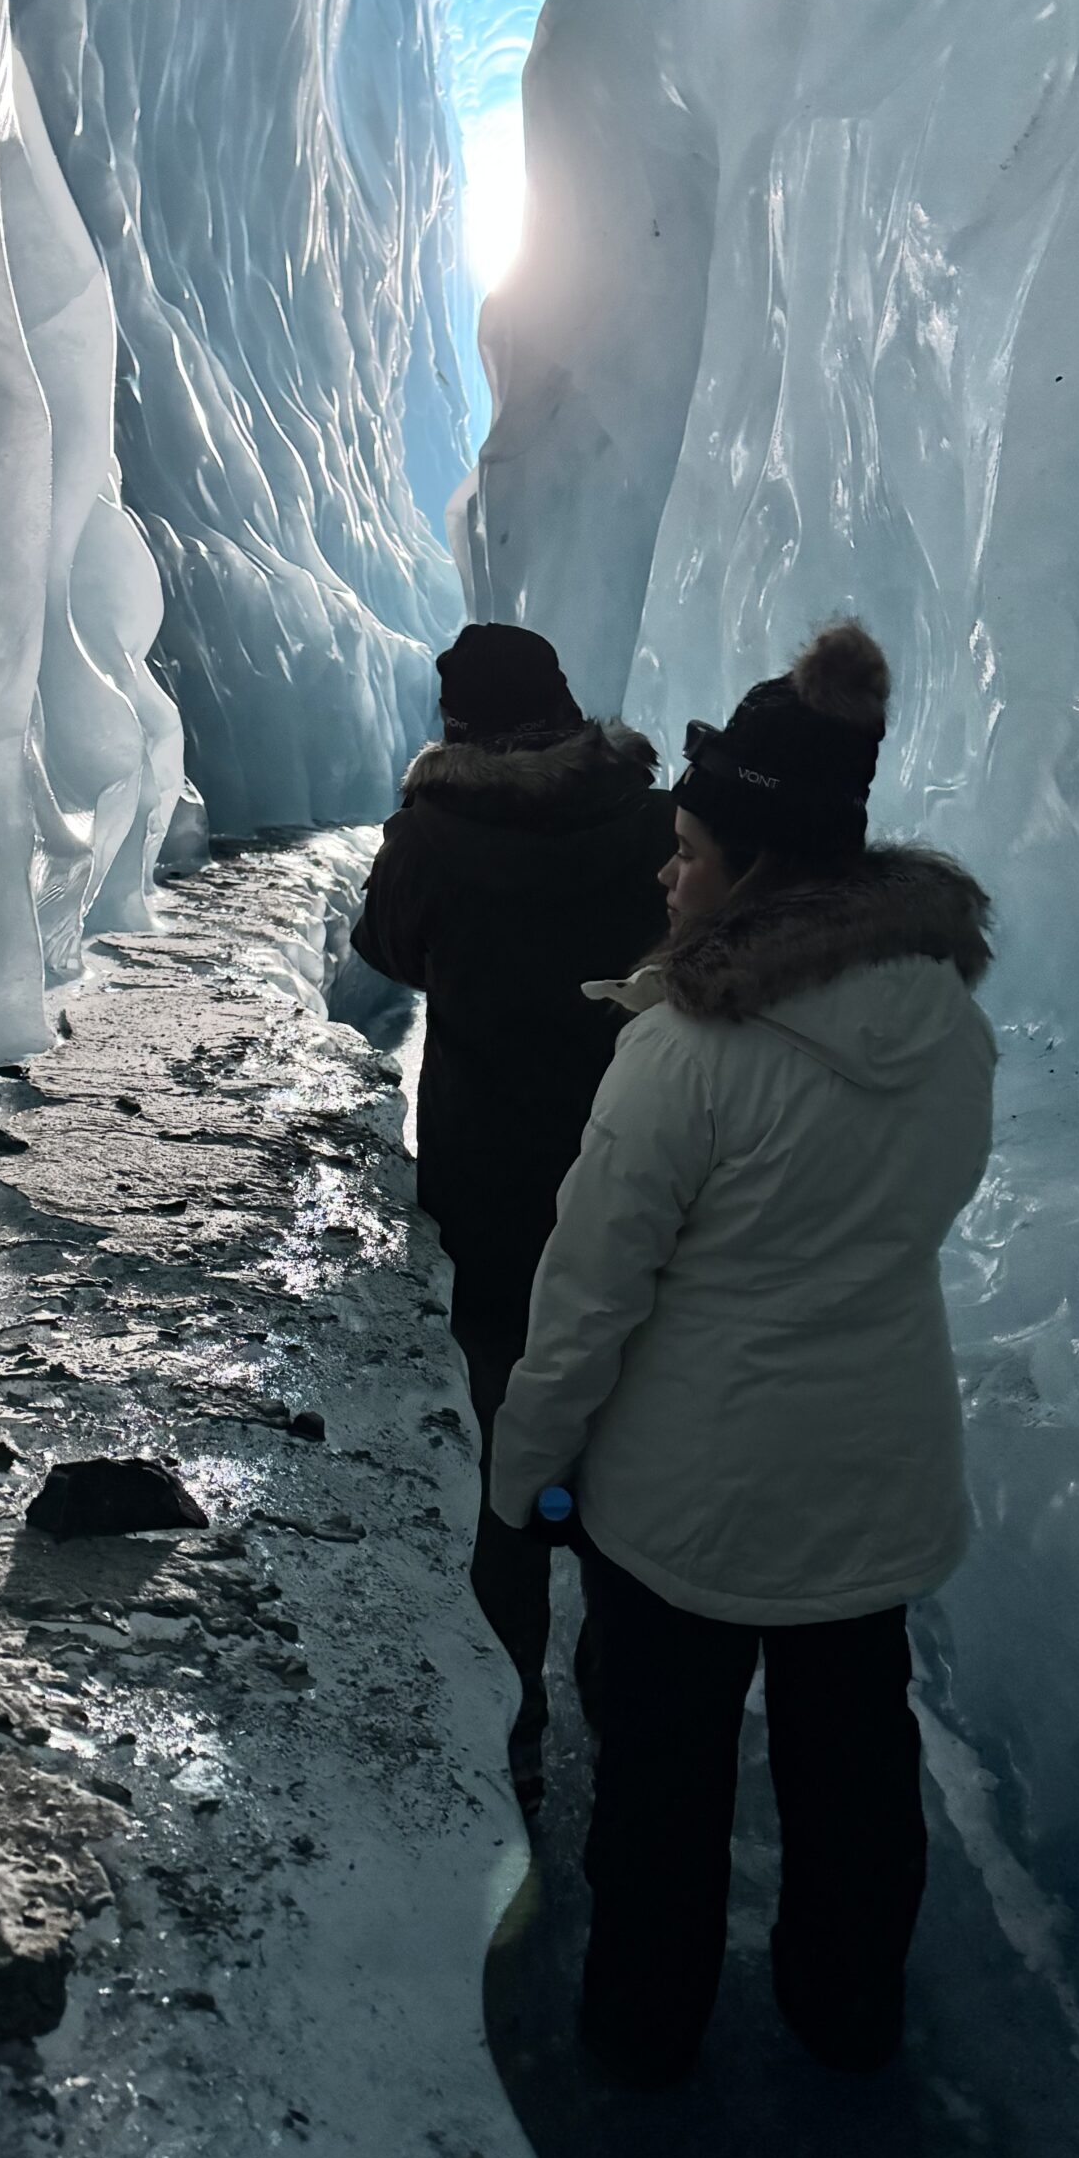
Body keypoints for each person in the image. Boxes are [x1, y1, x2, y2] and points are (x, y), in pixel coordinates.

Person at [488, 621, 996, 2087]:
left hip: (686, 1507)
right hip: (880, 1480)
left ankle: (646, 2035)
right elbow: (924, 1214)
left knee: (659, 1781)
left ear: (756, 867)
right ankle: (849, 2016)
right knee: (852, 1775)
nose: (666, 871)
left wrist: (525, 1477)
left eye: (691, 847)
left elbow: (588, 1300)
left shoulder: (688, 1051)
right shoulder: (948, 1021)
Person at [352, 622, 676, 1809]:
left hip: (486, 1190)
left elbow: (382, 944)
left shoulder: (432, 836)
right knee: (629, 1427)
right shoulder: (652, 823)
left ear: (458, 724)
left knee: (504, 1443)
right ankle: (631, 1690)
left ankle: (518, 1713)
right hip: (636, 1173)